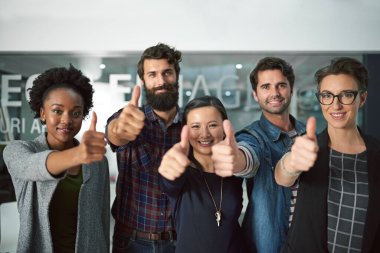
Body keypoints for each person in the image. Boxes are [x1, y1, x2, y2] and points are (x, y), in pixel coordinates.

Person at [275, 57, 380, 252]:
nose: (335, 105)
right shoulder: (307, 147)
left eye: (346, 95)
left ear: (362, 98)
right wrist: (291, 164)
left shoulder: (376, 155)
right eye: (327, 95)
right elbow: (282, 176)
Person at [3, 65, 110, 253]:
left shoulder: (98, 162)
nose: (66, 120)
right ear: (43, 113)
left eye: (76, 113)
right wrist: (78, 155)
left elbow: (102, 220)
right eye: (57, 111)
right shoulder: (17, 150)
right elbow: (32, 166)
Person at [211, 57, 306, 253]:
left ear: (291, 89)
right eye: (266, 87)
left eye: (281, 85)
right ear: (255, 94)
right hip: (271, 245)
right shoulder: (252, 136)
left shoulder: (308, 134)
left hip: (309, 241)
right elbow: (248, 157)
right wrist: (236, 160)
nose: (275, 93)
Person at [106, 43, 182, 253]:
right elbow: (114, 131)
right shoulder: (129, 117)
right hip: (131, 241)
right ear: (143, 80)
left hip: (180, 241)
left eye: (167, 72)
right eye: (152, 74)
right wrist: (119, 131)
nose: (161, 81)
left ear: (177, 76)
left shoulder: (191, 126)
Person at [158, 96, 244, 253]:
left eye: (212, 125)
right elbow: (169, 182)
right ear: (185, 131)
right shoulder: (180, 172)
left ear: (224, 129)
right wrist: (168, 173)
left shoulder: (234, 170)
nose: (204, 134)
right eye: (195, 126)